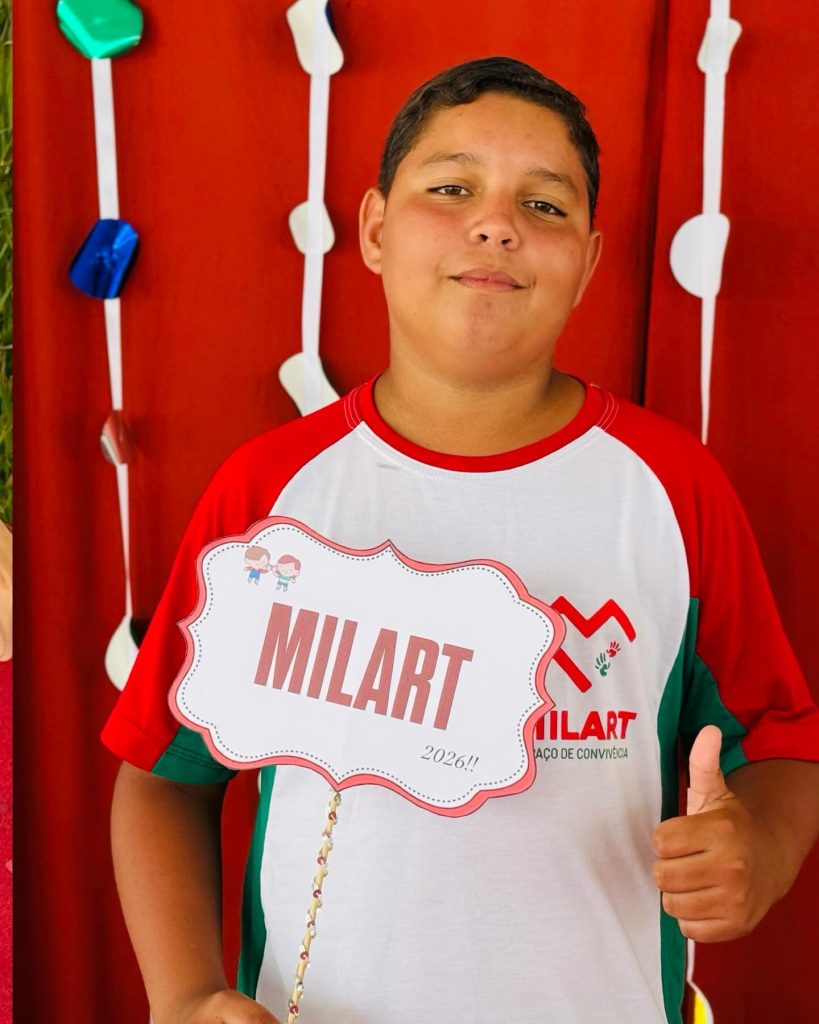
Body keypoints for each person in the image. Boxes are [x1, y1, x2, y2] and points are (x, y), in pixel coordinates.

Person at [104, 57, 819, 1024]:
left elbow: (779, 744)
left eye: (543, 204)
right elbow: (164, 778)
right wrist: (186, 994)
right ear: (373, 229)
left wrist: (763, 849)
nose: (495, 224)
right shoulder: (271, 492)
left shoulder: (672, 488)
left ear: (589, 263)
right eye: (449, 189)